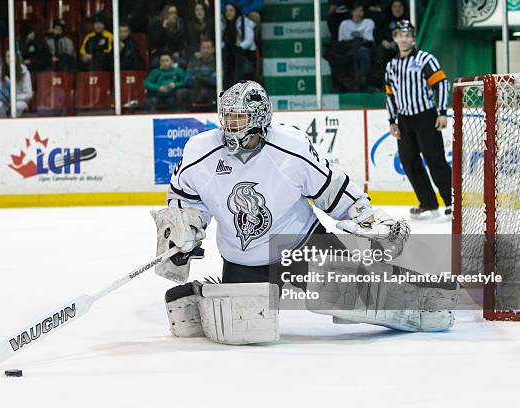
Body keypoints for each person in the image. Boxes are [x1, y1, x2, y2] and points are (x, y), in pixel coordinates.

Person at [152, 80, 456, 346]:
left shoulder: (291, 147)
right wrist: (184, 231)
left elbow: (332, 189)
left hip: (303, 246)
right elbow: (185, 201)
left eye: (240, 117)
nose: (231, 125)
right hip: (244, 259)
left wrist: (367, 217)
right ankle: (198, 295)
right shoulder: (199, 151)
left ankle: (424, 289)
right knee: (241, 329)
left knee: (356, 298)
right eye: (228, 117)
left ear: (259, 117)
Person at [384, 20, 451, 218]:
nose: (403, 38)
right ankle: (428, 202)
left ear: (413, 38)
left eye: (407, 35)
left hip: (426, 116)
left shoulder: (424, 59)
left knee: (435, 159)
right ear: (395, 38)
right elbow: (390, 94)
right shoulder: (391, 65)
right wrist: (392, 120)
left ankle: (452, 201)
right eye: (399, 35)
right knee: (409, 161)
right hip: (404, 120)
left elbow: (441, 84)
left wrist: (442, 112)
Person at [338, 2, 375, 91]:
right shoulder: (344, 24)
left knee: (363, 51)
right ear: (352, 12)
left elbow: (368, 40)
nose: (359, 13)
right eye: (356, 11)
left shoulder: (369, 22)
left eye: (361, 11)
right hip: (349, 49)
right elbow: (341, 42)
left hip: (364, 48)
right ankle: (345, 85)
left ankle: (363, 79)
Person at [222, 3, 257, 90]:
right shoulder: (224, 24)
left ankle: (236, 85)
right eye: (226, 11)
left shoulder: (244, 22)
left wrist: (239, 47)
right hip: (232, 55)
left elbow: (249, 40)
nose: (228, 13)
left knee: (236, 54)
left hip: (246, 54)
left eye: (231, 11)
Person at [0, 50, 33, 118]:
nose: (10, 59)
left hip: (20, 100)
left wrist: (14, 98)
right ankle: (4, 125)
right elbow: (0, 91)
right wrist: (1, 96)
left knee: (17, 106)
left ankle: (12, 124)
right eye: (8, 56)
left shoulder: (24, 72)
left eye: (12, 56)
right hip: (6, 101)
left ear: (16, 58)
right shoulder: (0, 72)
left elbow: (29, 94)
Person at [185, 39, 216, 110]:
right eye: (203, 48)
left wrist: (197, 76)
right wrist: (208, 77)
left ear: (213, 49)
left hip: (210, 90)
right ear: (200, 50)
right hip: (194, 89)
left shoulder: (217, 62)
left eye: (208, 48)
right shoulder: (193, 62)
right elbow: (187, 80)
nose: (206, 51)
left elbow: (216, 81)